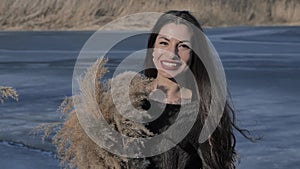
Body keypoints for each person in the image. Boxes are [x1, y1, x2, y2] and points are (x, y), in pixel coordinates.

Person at [52, 10, 253, 169]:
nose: (171, 53)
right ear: (152, 46)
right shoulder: (126, 101)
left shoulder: (203, 108)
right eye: (163, 43)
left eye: (182, 46)